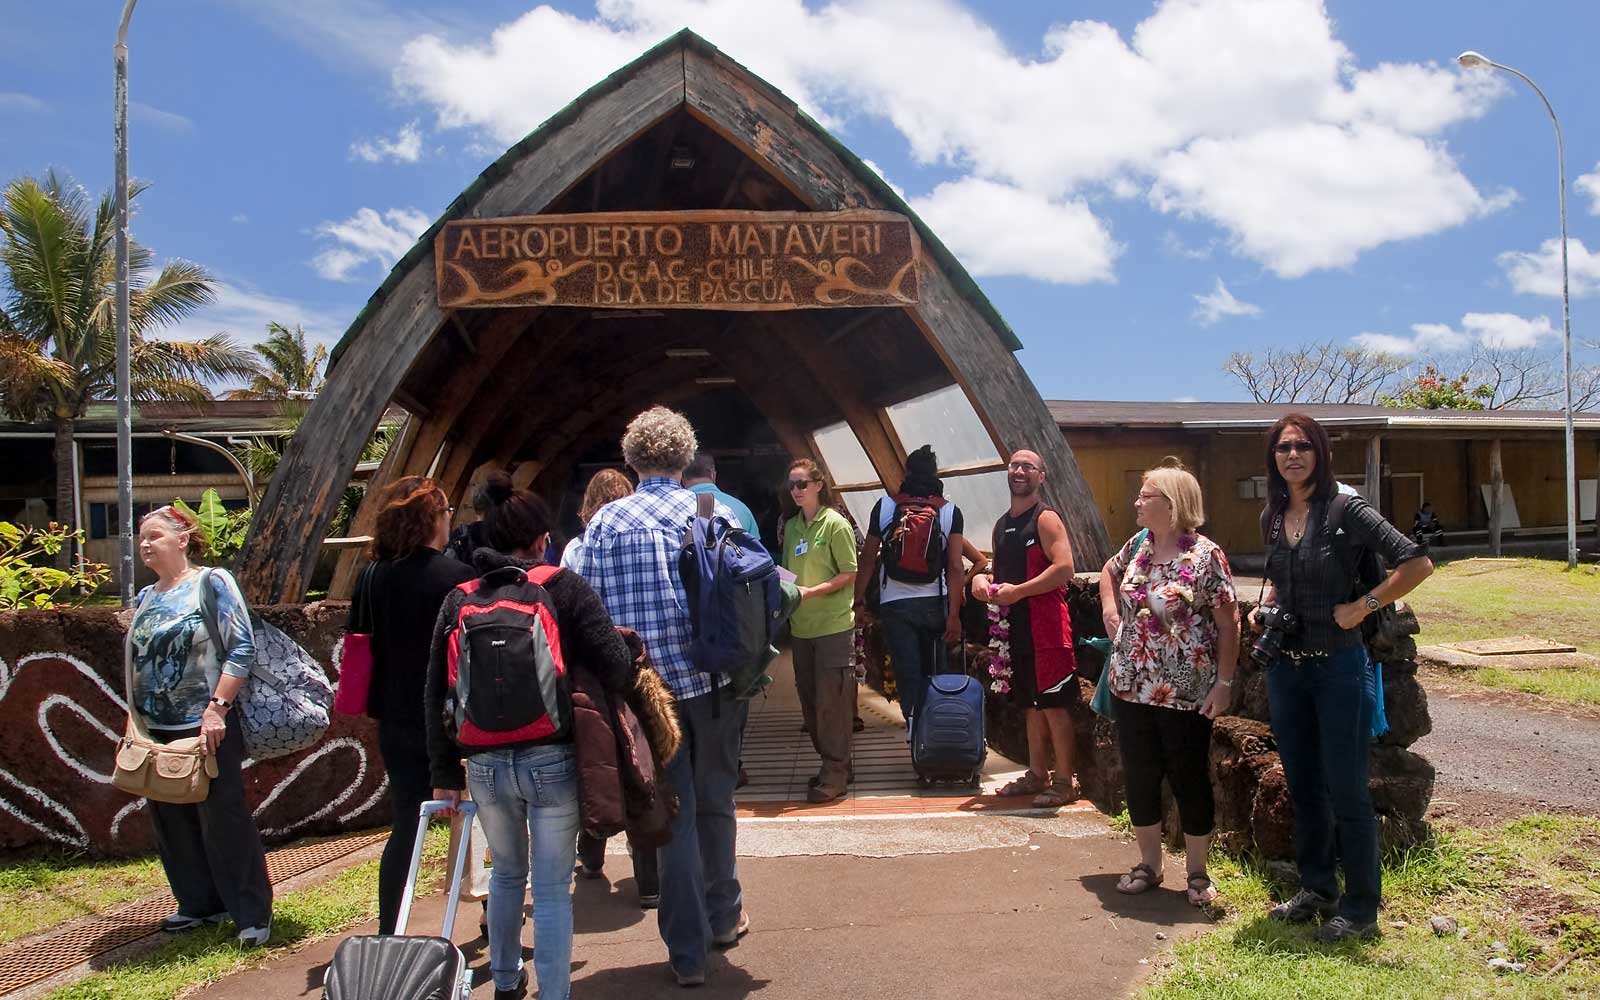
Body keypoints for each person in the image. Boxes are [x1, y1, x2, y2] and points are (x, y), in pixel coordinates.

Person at [426, 477, 635, 1000]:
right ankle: (556, 992)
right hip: (552, 757)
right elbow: (615, 663)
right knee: (549, 889)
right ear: (543, 538)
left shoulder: (460, 598)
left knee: (504, 875)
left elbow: (436, 691)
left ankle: (504, 981)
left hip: (484, 763)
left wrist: (444, 774)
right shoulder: (563, 587)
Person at [566, 406, 747, 988]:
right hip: (713, 683)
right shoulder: (710, 512)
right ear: (684, 455)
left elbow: (585, 613)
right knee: (717, 801)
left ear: (632, 458)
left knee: (675, 816)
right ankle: (725, 916)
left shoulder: (604, 525)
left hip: (645, 696)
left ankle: (688, 953)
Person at [1254, 414, 1432, 942]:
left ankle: (1360, 909)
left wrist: (1364, 605)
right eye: (1283, 447)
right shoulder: (1273, 514)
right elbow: (1280, 581)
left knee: (1347, 788)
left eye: (1303, 446)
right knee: (1304, 784)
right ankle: (1317, 888)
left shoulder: (1344, 509)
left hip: (1339, 667)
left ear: (1320, 453)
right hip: (1287, 668)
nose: (1292, 455)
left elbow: (1417, 563)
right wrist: (1264, 606)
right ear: (1273, 457)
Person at [351, 476, 491, 936]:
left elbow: (359, 644)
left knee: (406, 823)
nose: (452, 519)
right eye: (448, 511)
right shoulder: (457, 578)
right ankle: (497, 922)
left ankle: (390, 931)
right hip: (456, 716)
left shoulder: (371, 575)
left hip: (395, 715)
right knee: (488, 821)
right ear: (432, 518)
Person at [1096, 461, 1239, 906]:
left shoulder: (1204, 555)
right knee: (1139, 775)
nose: (1136, 503)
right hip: (1131, 684)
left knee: (1187, 776)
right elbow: (1108, 572)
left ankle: (1197, 872)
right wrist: (1109, 611)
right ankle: (1149, 864)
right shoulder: (1138, 545)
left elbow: (1229, 620)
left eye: (1146, 496)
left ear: (1173, 504)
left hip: (1184, 689)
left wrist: (1224, 682)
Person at [129, 505, 272, 946]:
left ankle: (251, 913)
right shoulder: (146, 597)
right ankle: (198, 903)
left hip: (206, 724)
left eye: (154, 535)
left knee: (223, 817)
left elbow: (241, 648)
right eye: (142, 537)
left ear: (183, 538)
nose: (145, 544)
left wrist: (217, 708)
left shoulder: (211, 583)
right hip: (156, 727)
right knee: (170, 817)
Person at [563, 468, 659, 907]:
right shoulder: (644, 538)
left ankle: (592, 856)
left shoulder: (576, 551)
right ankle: (650, 880)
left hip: (588, 674)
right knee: (642, 768)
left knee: (595, 762)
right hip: (635, 666)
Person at [970, 450, 1080, 809]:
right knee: (1031, 705)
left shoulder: (1046, 520)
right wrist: (983, 584)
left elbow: (1065, 568)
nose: (1019, 471)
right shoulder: (1002, 524)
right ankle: (1037, 773)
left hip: (1047, 629)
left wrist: (1020, 592)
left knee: (1054, 705)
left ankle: (1065, 780)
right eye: (1014, 465)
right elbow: (1000, 575)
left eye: (1027, 467)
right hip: (1014, 631)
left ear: (1041, 476)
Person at [854, 445, 966, 730]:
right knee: (936, 671)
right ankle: (938, 731)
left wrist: (858, 600)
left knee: (908, 671)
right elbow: (954, 567)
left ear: (906, 472)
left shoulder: (886, 507)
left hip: (894, 603)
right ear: (936, 474)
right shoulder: (949, 512)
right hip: (934, 602)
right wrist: (954, 615)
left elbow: (868, 558)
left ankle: (915, 731)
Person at [782, 459, 859, 803]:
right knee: (810, 701)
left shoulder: (836, 525)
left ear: (818, 485)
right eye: (792, 485)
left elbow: (849, 572)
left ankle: (836, 772)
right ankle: (835, 763)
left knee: (832, 702)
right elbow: (789, 571)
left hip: (832, 626)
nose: (795, 491)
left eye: (801, 484)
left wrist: (813, 592)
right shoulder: (794, 526)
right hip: (802, 627)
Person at [683, 451, 758, 534]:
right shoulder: (742, 509)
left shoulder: (676, 507)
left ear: (683, 478)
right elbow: (754, 545)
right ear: (713, 475)